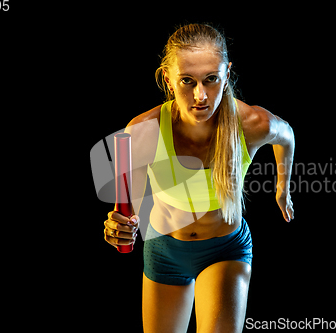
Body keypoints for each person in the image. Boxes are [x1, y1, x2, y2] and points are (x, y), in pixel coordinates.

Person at [103, 23, 295, 333]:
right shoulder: (141, 132)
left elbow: (287, 137)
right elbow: (131, 210)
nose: (200, 95)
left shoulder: (253, 124)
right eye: (187, 81)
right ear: (168, 79)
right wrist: (120, 228)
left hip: (225, 250)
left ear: (227, 74)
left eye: (211, 80)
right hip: (165, 251)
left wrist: (283, 188)